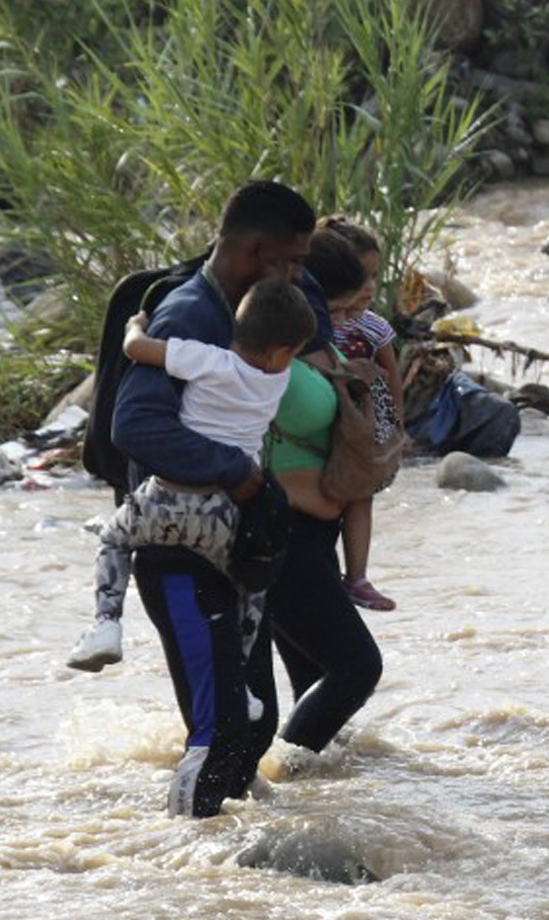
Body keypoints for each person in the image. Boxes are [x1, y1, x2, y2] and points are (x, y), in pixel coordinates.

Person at [113, 180, 317, 817]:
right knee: (220, 731)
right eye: (293, 262)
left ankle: (227, 892)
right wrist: (240, 473)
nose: (298, 277)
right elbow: (136, 426)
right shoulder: (191, 317)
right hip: (179, 558)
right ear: (257, 252)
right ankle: (177, 867)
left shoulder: (249, 315)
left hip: (227, 550)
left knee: (254, 728)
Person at [68, 279, 316, 701]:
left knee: (113, 538)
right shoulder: (279, 379)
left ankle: (106, 623)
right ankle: (244, 686)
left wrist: (136, 323)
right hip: (225, 515)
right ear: (279, 354)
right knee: (249, 589)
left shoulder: (209, 361)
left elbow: (135, 350)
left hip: (167, 498)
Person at [245, 243, 386, 762]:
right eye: (342, 308)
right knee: (357, 668)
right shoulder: (272, 360)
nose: (351, 319)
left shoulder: (317, 352)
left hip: (314, 539)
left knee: (317, 677)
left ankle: (314, 794)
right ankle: (283, 777)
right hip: (284, 538)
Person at [311, 220, 403, 611]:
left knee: (359, 493)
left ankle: (358, 575)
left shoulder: (373, 326)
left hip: (362, 420)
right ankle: (331, 570)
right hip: (322, 421)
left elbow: (391, 378)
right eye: (361, 276)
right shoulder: (318, 319)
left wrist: (396, 427)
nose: (368, 287)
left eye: (375, 276)